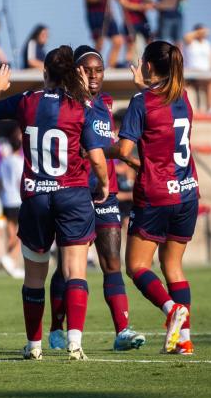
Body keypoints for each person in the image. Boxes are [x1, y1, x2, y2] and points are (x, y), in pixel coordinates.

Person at [0, 49, 111, 361]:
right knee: (75, 270)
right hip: (73, 195)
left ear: (45, 73)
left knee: (34, 277)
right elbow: (97, 158)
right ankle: (75, 344)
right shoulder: (82, 106)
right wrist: (105, 184)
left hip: (36, 195)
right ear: (76, 74)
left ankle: (34, 345)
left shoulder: (27, 100)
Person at [47, 45, 146, 352]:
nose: (92, 75)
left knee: (112, 261)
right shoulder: (66, 103)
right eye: (86, 69)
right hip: (74, 190)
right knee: (69, 266)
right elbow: (92, 149)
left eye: (98, 69)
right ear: (75, 71)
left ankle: (122, 331)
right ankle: (56, 328)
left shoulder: (104, 102)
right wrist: (124, 154)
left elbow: (107, 143)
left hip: (107, 191)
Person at [109, 40, 199, 355]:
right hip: (187, 191)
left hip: (156, 194)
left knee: (135, 266)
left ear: (147, 66)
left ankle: (171, 309)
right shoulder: (184, 98)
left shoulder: (140, 102)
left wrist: (93, 147)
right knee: (173, 266)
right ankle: (183, 340)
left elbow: (122, 150)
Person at [110, 0, 153, 65]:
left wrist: (150, 2)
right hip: (129, 20)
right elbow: (124, 3)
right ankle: (128, 64)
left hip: (142, 18)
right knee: (130, 45)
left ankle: (153, 62)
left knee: (150, 41)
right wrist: (141, 6)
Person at [0, 129, 25, 277]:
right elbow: (19, 181)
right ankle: (10, 258)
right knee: (21, 233)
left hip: (5, 198)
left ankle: (12, 265)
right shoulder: (19, 161)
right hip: (16, 198)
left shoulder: (4, 161)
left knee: (11, 233)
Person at [183, 24, 211, 113]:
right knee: (209, 81)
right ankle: (210, 107)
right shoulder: (191, 43)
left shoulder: (208, 44)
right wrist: (199, 32)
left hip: (206, 73)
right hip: (192, 72)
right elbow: (186, 37)